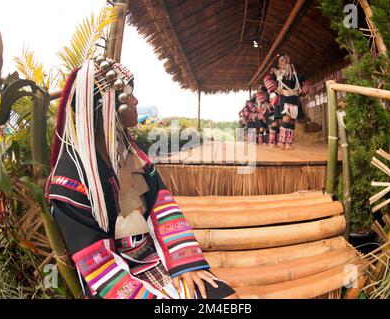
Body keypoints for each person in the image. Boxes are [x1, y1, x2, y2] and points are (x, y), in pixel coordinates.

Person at [46, 57, 238, 299]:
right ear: (106, 106)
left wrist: (186, 262)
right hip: (112, 279)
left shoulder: (132, 154)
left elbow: (162, 206)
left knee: (228, 299)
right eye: (129, 95)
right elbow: (95, 261)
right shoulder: (69, 180)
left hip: (158, 257)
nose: (136, 101)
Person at [270, 55, 309, 150]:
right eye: (282, 61)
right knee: (286, 119)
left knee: (292, 121)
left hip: (294, 98)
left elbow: (306, 82)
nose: (284, 62)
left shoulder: (295, 74)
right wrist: (275, 89)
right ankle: (281, 142)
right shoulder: (277, 74)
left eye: (285, 61)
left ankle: (289, 143)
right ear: (279, 64)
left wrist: (302, 91)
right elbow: (267, 80)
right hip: (284, 97)